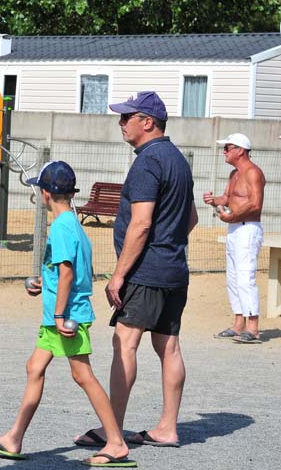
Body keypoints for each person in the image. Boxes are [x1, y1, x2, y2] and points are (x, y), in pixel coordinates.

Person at [0, 161, 134, 468]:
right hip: (57, 314)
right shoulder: (72, 222)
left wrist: (60, 314)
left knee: (83, 375)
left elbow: (67, 272)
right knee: (34, 367)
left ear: (45, 194)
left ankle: (116, 443)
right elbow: (61, 271)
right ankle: (14, 438)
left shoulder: (61, 227)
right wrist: (41, 281)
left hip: (65, 316)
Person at [76, 91, 197, 450]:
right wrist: (168, 244)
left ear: (148, 122)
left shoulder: (147, 162)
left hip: (146, 271)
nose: (121, 123)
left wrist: (119, 274)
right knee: (169, 346)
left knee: (124, 342)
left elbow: (141, 224)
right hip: (174, 269)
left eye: (127, 117)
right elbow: (189, 218)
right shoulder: (178, 159)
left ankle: (112, 430)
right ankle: (167, 427)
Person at [203, 133, 266, 344]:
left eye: (228, 148)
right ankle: (238, 324)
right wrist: (214, 201)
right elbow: (228, 198)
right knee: (232, 278)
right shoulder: (234, 174)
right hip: (234, 228)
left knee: (245, 276)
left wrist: (232, 216)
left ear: (240, 150)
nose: (224, 151)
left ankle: (253, 327)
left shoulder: (253, 172)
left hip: (248, 228)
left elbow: (255, 204)